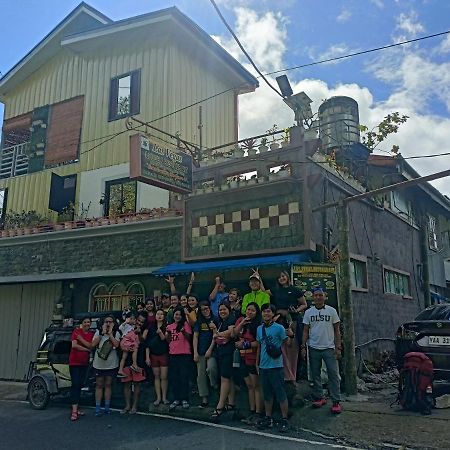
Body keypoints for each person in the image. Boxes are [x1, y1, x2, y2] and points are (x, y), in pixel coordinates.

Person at [301, 287, 342, 414]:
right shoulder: (308, 312)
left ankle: (336, 401)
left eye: (320, 295)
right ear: (312, 297)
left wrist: (338, 347)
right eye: (316, 295)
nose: (318, 297)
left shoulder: (332, 311)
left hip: (329, 348)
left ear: (325, 296)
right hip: (313, 347)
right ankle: (319, 397)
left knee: (333, 375)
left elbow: (337, 330)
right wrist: (303, 346)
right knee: (315, 374)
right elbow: (306, 330)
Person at [256, 303, 289, 433]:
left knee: (280, 393)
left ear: (273, 314)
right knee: (267, 394)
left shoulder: (279, 328)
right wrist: (257, 362)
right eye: (264, 312)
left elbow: (287, 344)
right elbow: (259, 346)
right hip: (264, 366)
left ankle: (284, 419)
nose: (266, 314)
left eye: (269, 312)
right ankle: (268, 417)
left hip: (276, 366)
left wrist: (290, 335)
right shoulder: (259, 329)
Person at [233, 302, 263, 425]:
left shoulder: (258, 325)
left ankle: (258, 412)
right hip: (242, 357)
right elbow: (234, 334)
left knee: (256, 386)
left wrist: (245, 344)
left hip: (252, 357)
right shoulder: (241, 320)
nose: (250, 312)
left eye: (253, 310)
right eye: (248, 309)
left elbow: (259, 342)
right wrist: (241, 323)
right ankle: (251, 411)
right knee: (249, 385)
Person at [210, 302, 236, 420]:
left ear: (229, 310)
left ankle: (220, 406)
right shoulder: (220, 322)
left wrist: (217, 333)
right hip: (221, 351)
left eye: (224, 309)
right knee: (228, 378)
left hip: (228, 352)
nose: (222, 312)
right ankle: (231, 403)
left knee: (224, 378)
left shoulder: (231, 320)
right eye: (220, 310)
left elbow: (231, 332)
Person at [92, 315, 121, 416]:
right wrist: (102, 334)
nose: (108, 324)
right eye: (106, 322)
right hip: (99, 364)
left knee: (108, 384)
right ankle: (97, 408)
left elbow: (117, 345)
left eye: (110, 322)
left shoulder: (116, 333)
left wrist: (110, 334)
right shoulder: (98, 332)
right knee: (99, 385)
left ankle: (107, 407)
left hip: (111, 364)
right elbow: (93, 344)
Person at [166, 307, 193, 410]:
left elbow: (189, 338)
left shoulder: (185, 324)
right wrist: (168, 332)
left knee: (184, 377)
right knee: (174, 377)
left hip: (184, 354)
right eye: (175, 314)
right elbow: (168, 340)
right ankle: (176, 398)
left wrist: (183, 331)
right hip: (173, 354)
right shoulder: (170, 326)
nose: (177, 316)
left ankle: (184, 398)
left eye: (179, 315)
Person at [193, 301, 218, 408]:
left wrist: (210, 349)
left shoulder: (215, 319)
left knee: (211, 369)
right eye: (203, 309)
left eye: (207, 308)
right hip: (200, 351)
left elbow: (215, 336)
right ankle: (204, 399)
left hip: (212, 351)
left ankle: (215, 385)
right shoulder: (198, 321)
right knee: (201, 375)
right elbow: (195, 337)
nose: (205, 311)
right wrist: (195, 352)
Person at [68, 317, 94, 421]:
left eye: (89, 322)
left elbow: (91, 346)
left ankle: (77, 407)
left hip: (84, 363)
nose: (87, 324)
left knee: (80, 385)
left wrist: (81, 340)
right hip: (74, 362)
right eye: (85, 322)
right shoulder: (76, 331)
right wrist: (87, 349)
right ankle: (74, 411)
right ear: (82, 323)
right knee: (75, 384)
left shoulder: (91, 334)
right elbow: (74, 346)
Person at [120, 315, 146, 414]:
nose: (139, 323)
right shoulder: (127, 328)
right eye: (138, 320)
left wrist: (139, 333)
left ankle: (134, 406)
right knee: (126, 383)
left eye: (142, 322)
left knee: (137, 383)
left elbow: (142, 342)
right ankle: (127, 405)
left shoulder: (143, 330)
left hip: (138, 359)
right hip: (127, 358)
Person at [146, 309, 170, 406]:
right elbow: (147, 344)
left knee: (164, 377)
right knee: (156, 377)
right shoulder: (151, 327)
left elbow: (165, 339)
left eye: (161, 314)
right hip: (153, 354)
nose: (159, 316)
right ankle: (158, 398)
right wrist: (147, 357)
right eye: (158, 314)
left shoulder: (167, 326)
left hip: (163, 353)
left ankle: (164, 397)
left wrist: (160, 333)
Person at [117, 313, 140, 377]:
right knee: (135, 349)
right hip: (126, 341)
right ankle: (134, 364)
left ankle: (120, 370)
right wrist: (125, 322)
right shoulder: (126, 325)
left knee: (124, 357)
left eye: (134, 319)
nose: (134, 320)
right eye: (131, 319)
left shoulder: (132, 326)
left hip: (128, 342)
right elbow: (120, 327)